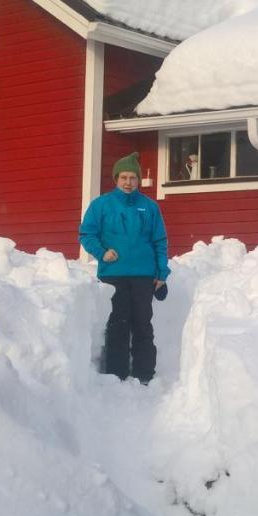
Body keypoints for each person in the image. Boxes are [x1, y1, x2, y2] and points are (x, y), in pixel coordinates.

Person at [79, 152, 169, 384]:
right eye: (124, 178)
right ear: (116, 180)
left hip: (143, 275)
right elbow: (87, 234)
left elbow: (160, 241)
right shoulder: (101, 205)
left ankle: (144, 374)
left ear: (139, 180)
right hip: (113, 275)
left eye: (133, 178)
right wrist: (102, 252)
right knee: (117, 325)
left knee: (142, 324)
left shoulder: (149, 207)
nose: (128, 183)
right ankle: (116, 374)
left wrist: (161, 274)